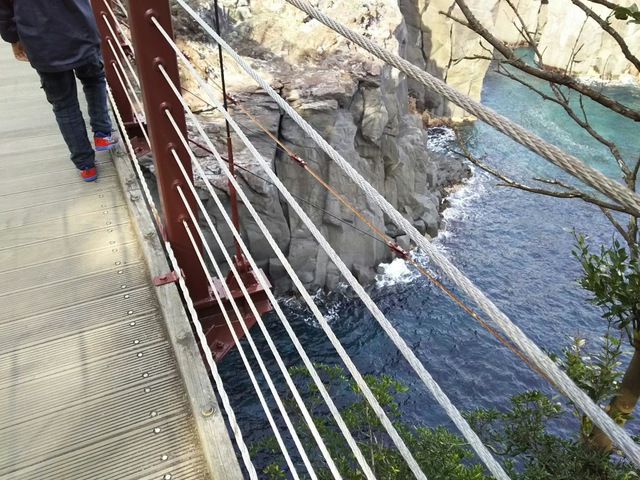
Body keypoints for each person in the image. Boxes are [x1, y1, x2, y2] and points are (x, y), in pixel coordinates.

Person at [0, 0, 118, 182]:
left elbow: (4, 11)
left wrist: (13, 38)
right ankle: (103, 133)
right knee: (94, 79)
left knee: (64, 104)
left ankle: (86, 165)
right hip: (80, 28)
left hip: (40, 41)